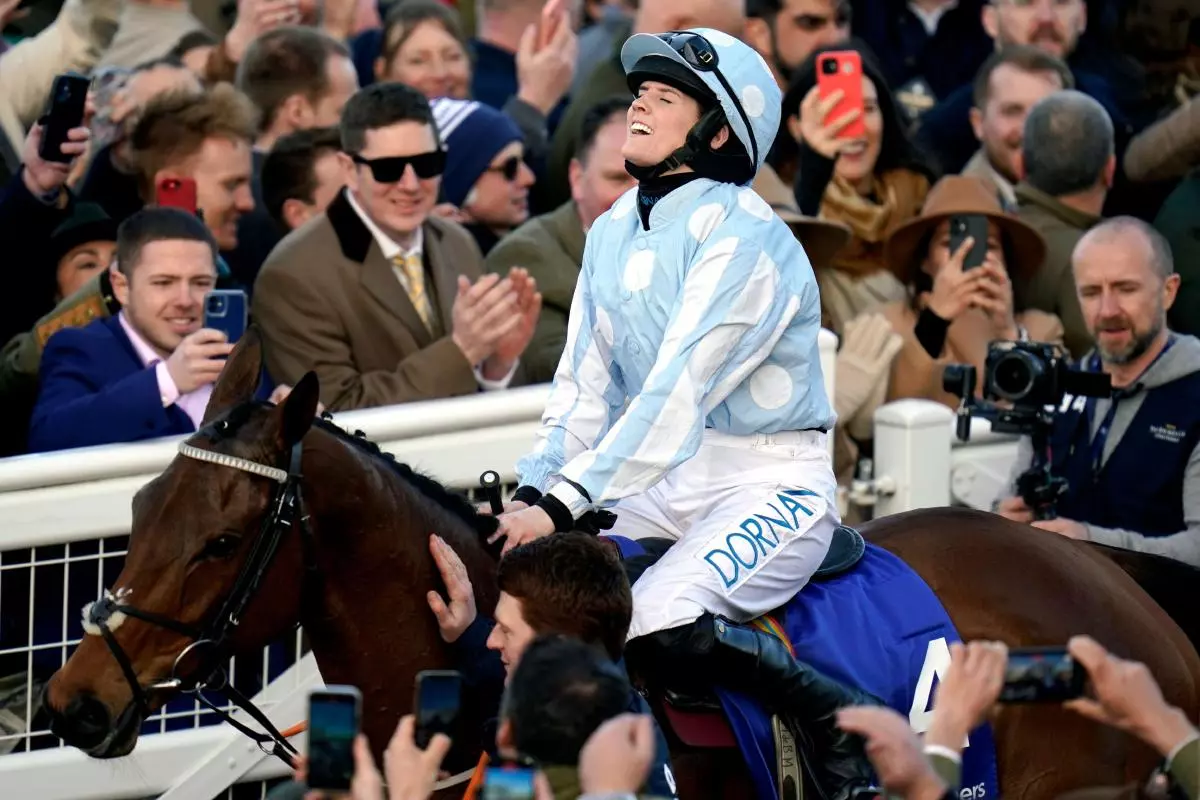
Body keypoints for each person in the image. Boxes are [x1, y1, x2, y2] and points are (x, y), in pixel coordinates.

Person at [493, 28, 878, 798]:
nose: (639, 104)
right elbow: (581, 392)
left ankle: (834, 722)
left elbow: (673, 398)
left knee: (655, 615)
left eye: (665, 97)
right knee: (550, 593)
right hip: (664, 481)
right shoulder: (611, 229)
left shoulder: (749, 236)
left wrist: (562, 504)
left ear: (719, 133)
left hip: (771, 485)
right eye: (641, 90)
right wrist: (533, 491)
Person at [995, 217, 1200, 568]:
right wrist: (1003, 518)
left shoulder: (1193, 392)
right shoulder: (1055, 387)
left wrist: (1093, 542)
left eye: (1125, 289)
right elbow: (1007, 499)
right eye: (1091, 292)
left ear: (1169, 291)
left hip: (1161, 602)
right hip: (1054, 595)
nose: (1107, 310)